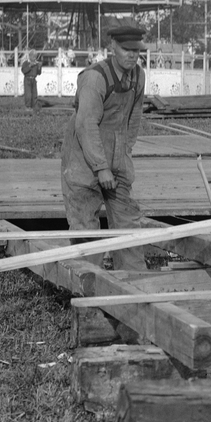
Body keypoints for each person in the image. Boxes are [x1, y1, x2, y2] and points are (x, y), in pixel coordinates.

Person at [60, 24, 149, 272]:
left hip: (116, 158)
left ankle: (134, 282)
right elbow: (86, 125)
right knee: (85, 228)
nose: (132, 55)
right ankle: (88, 283)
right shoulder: (94, 78)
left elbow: (134, 117)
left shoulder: (138, 76)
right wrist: (101, 168)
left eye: (136, 51)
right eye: (126, 49)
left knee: (128, 223)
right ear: (113, 47)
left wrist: (124, 153)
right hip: (83, 160)